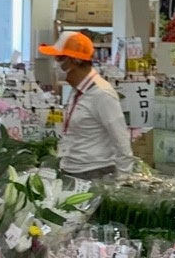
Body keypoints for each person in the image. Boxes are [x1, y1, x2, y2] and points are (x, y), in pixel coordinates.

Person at [40, 30, 133, 178]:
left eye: (59, 58)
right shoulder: (77, 90)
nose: (55, 64)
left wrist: (123, 179)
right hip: (71, 170)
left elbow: (121, 140)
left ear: (75, 61)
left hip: (95, 173)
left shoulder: (102, 94)